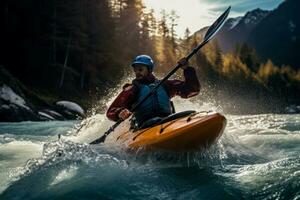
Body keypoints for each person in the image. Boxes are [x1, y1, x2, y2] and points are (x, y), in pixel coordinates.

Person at [106, 55, 200, 128]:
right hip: (144, 126)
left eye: (140, 69)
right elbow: (111, 111)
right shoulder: (132, 89)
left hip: (167, 121)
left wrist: (187, 70)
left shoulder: (165, 85)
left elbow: (192, 90)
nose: (137, 72)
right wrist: (120, 112)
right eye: (135, 70)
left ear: (149, 69)